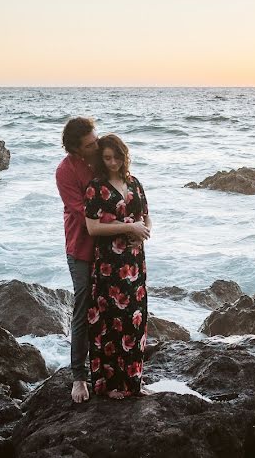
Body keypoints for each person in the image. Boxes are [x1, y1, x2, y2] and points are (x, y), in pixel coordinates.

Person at [84, 134, 152, 399]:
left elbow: (147, 217)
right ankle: (110, 385)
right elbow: (92, 227)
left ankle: (133, 382)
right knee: (111, 319)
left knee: (134, 319)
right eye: (107, 158)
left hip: (135, 260)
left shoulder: (135, 183)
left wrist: (144, 230)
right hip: (109, 264)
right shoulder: (96, 187)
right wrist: (128, 227)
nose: (112, 162)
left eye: (117, 157)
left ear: (125, 155)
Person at [55, 117, 99, 403]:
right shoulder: (65, 170)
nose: (96, 146)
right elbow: (83, 211)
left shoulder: (100, 157)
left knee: (110, 308)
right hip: (81, 248)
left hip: (110, 248)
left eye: (96, 140)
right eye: (90, 144)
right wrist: (122, 224)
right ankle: (79, 377)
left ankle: (108, 370)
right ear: (75, 148)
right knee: (83, 308)